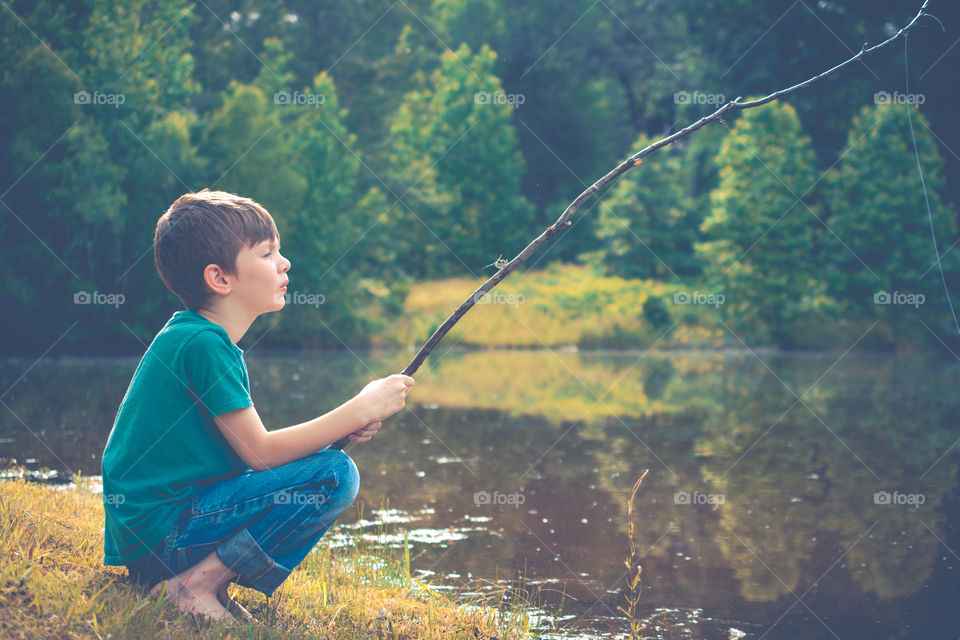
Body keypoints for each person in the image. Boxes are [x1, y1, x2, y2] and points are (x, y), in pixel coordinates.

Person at [100, 189, 414, 622]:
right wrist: (358, 407)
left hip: (155, 540)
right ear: (221, 279)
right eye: (267, 254)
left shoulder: (196, 338)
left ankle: (201, 581)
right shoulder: (203, 344)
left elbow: (244, 460)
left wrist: (340, 431)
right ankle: (194, 586)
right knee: (334, 474)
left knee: (325, 463)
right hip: (164, 541)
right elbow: (261, 454)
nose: (284, 263)